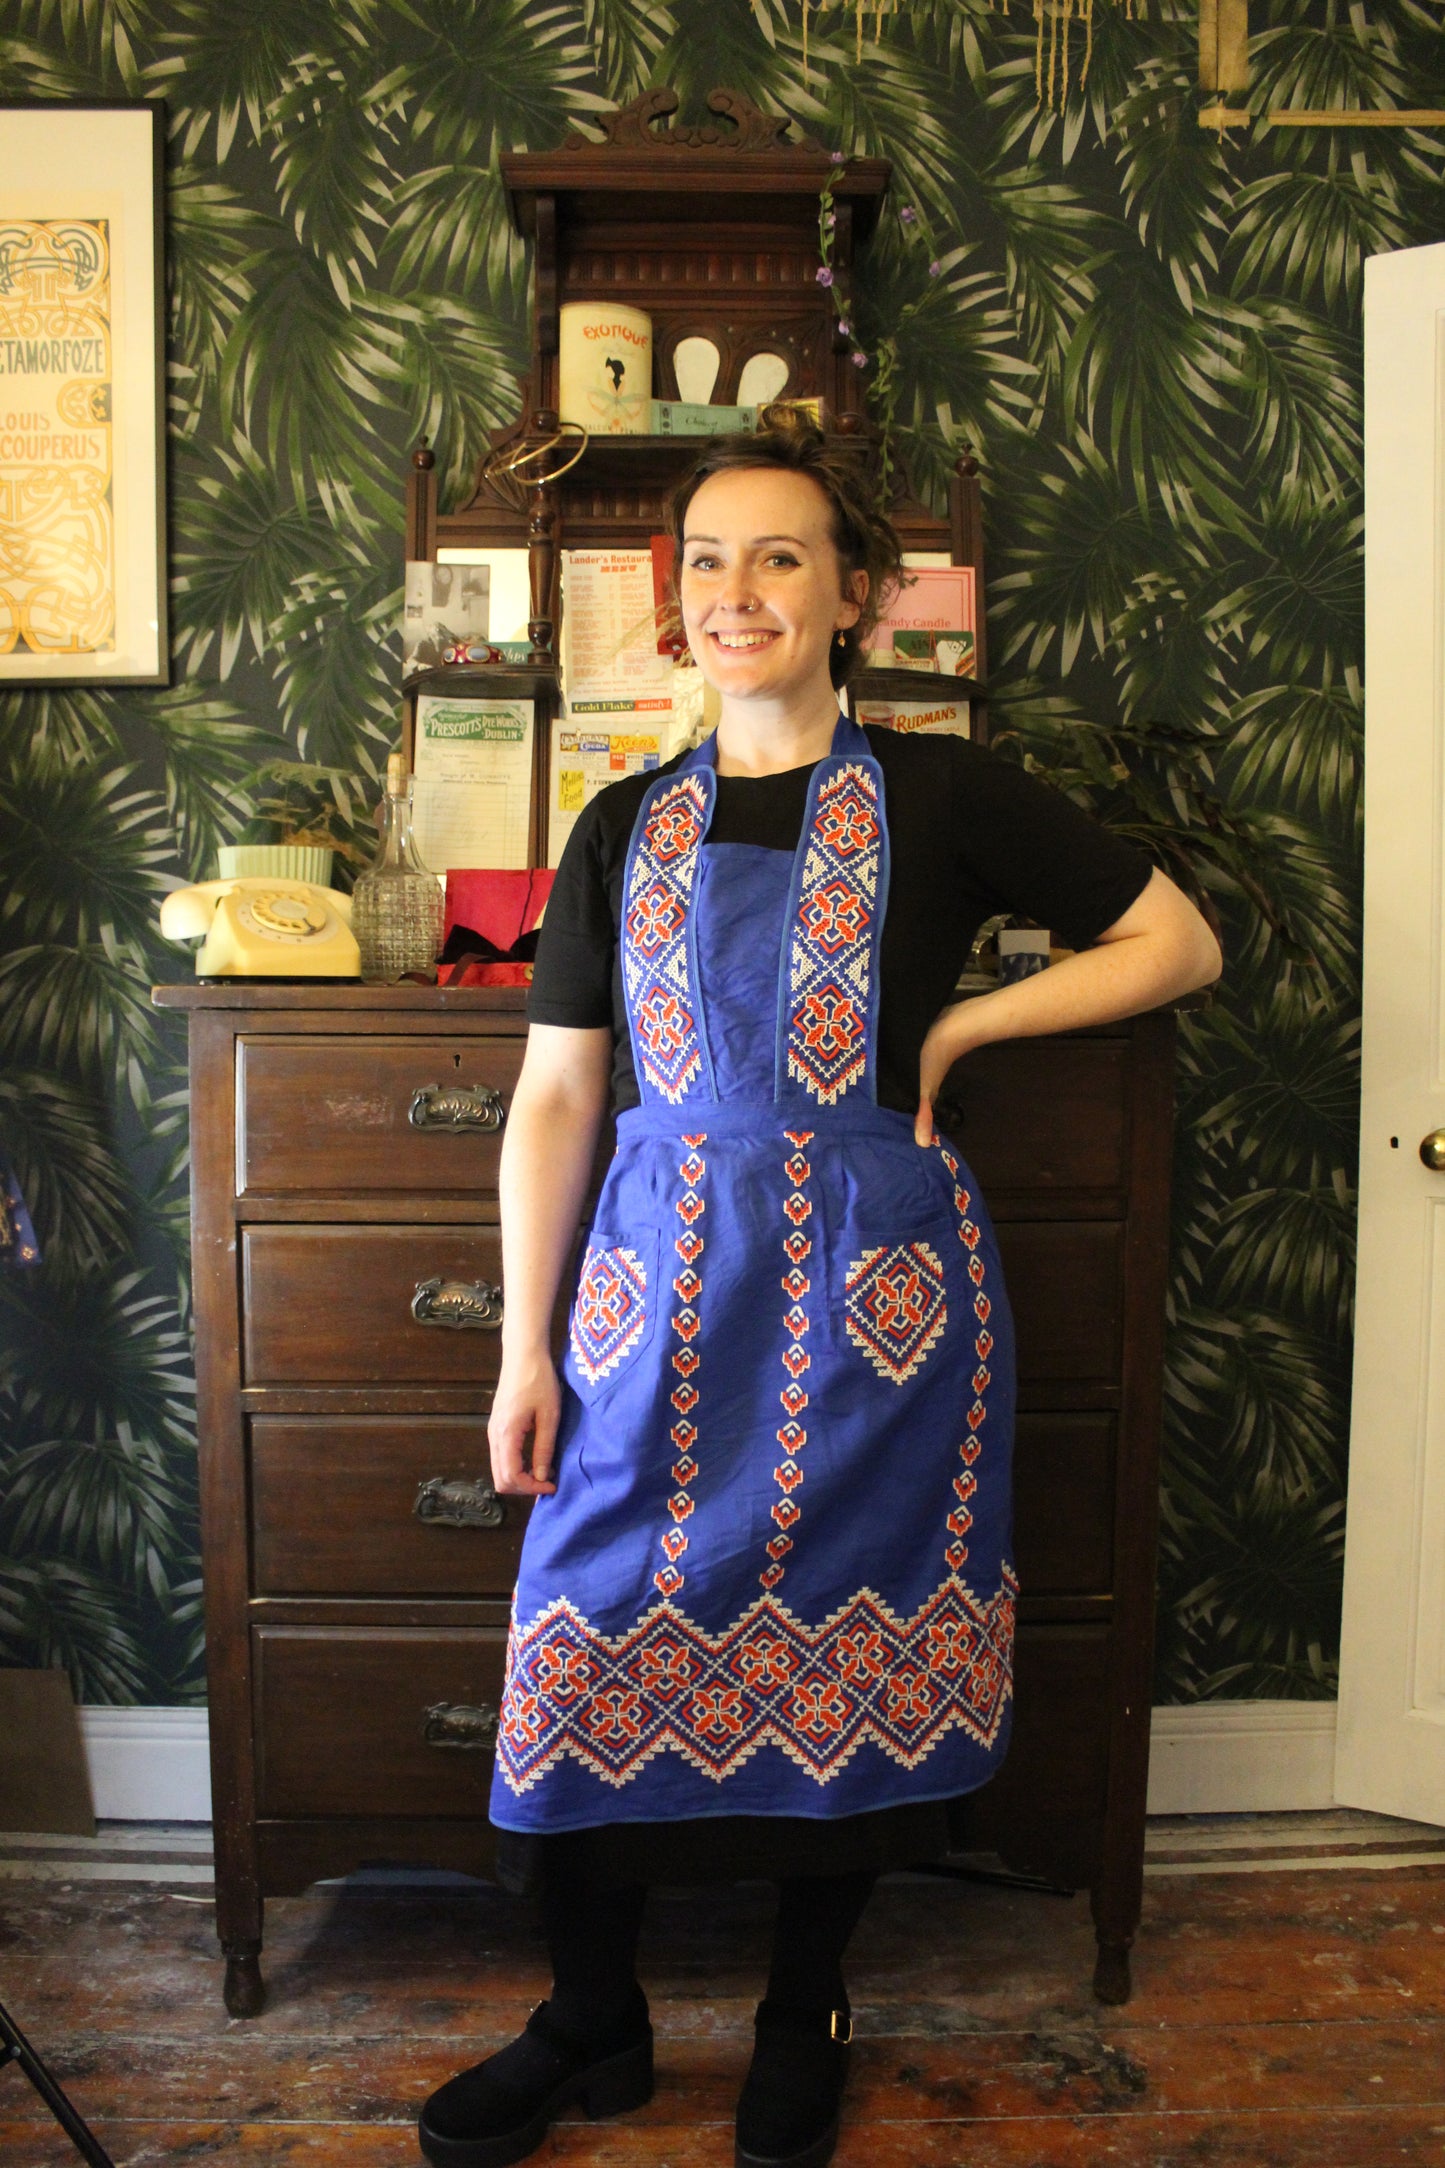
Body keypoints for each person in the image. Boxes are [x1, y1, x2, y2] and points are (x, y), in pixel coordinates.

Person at [418, 414, 1222, 2168]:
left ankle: (807, 2006)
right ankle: (589, 2019)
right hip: (648, 1306)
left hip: (876, 1311)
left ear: (854, 594)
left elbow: (1180, 939)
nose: (736, 591)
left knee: (847, 1637)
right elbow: (558, 1094)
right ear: (669, 600)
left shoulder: (943, 796)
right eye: (706, 559)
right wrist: (523, 1344)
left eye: (780, 556)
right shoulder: (620, 824)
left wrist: (963, 1021)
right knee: (582, 1633)